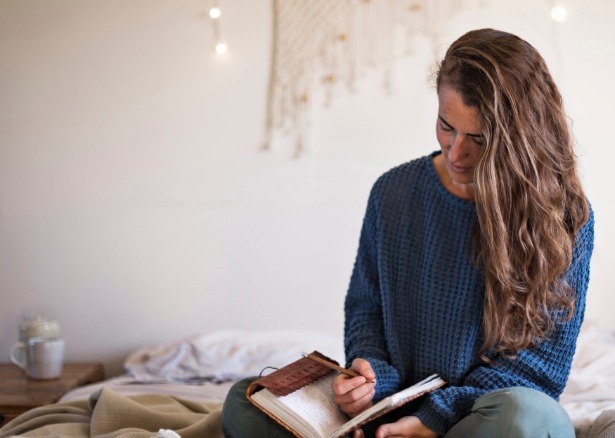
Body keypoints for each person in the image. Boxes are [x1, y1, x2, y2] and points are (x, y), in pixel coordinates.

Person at [222, 28, 594, 438]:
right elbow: (365, 309)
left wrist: (432, 421)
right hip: (389, 413)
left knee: (530, 418)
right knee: (247, 400)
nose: (456, 153)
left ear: (521, 139)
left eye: (479, 139)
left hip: (474, 419)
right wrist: (368, 376)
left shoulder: (562, 217)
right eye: (445, 126)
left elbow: (539, 370)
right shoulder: (392, 192)